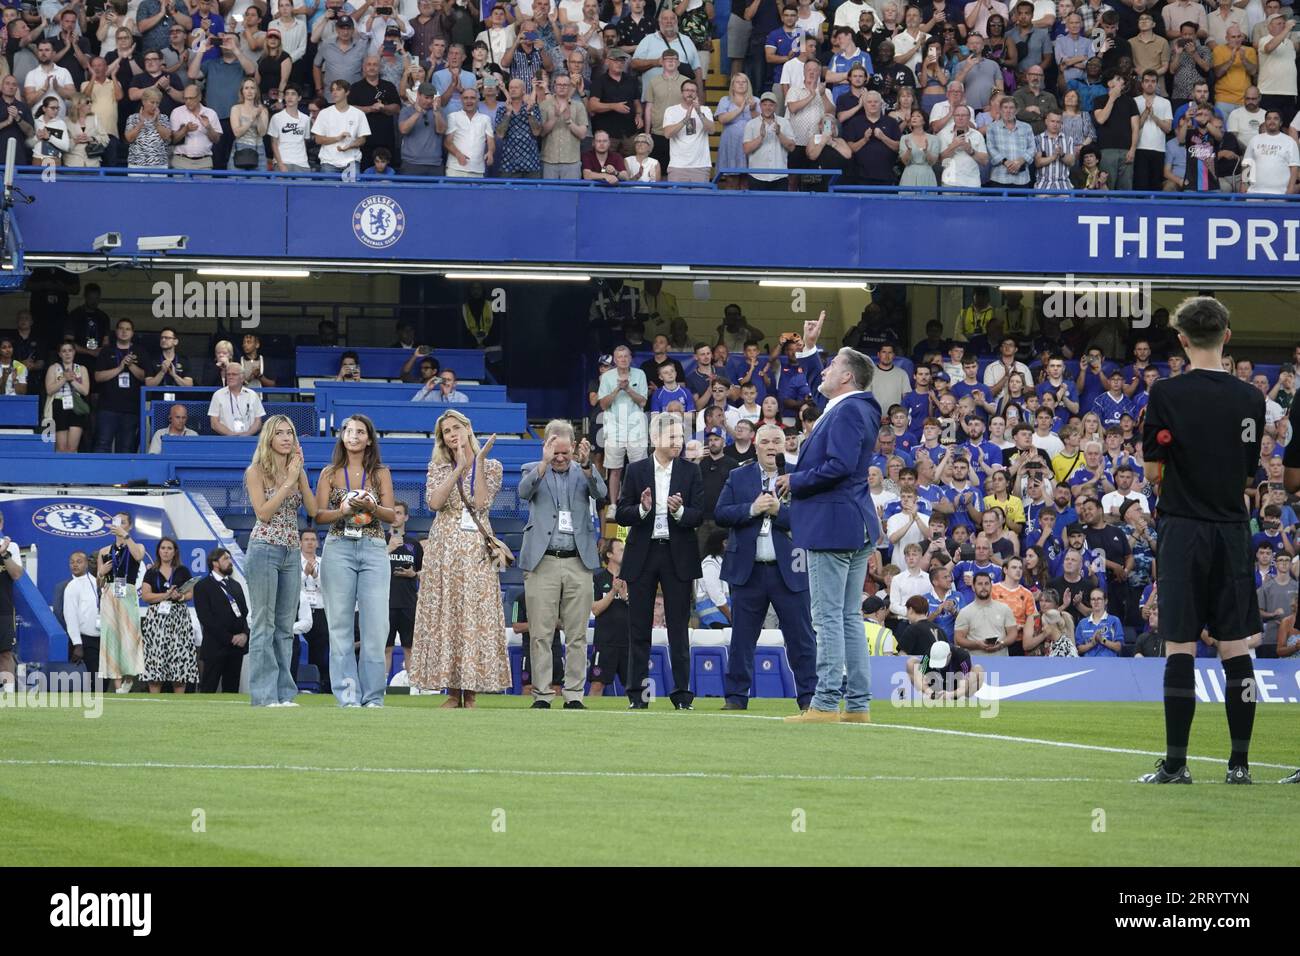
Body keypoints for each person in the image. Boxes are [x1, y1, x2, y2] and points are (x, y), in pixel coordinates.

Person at [1139, 296, 1266, 785]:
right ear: (1227, 337)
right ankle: (1239, 765)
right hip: (1233, 530)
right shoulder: (1251, 398)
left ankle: (1176, 763)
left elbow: (1152, 470)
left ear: (1182, 339)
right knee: (1237, 649)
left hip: (1183, 528)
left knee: (1180, 646)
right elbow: (1248, 471)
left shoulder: (1166, 394)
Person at [772, 314, 879, 724]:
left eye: (833, 365)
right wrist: (812, 350)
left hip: (833, 526)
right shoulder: (853, 405)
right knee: (849, 616)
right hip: (852, 523)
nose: (826, 368)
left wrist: (794, 480)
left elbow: (838, 465)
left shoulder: (849, 412)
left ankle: (825, 702)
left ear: (847, 377)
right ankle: (857, 706)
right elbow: (828, 391)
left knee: (828, 616)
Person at [714, 421, 818, 711]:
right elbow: (720, 514)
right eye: (766, 442)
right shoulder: (738, 476)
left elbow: (809, 521)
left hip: (791, 569)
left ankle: (809, 697)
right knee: (742, 639)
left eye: (777, 441)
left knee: (801, 637)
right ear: (755, 445)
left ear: (785, 445)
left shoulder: (799, 477)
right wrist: (752, 509)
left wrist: (779, 512)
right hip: (748, 571)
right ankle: (735, 698)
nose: (772, 447)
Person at [408, 409, 509, 707]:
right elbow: (435, 503)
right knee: (449, 615)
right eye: (446, 432)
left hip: (476, 550)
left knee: (474, 617)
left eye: (456, 428)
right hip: (444, 550)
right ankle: (452, 692)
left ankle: (473, 691)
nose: (452, 435)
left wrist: (474, 463)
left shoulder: (491, 465)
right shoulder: (437, 467)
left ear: (468, 428)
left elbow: (480, 502)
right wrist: (457, 468)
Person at [616, 411, 703, 710]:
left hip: (677, 553)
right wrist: (642, 508)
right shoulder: (637, 470)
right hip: (644, 553)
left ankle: (682, 696)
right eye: (672, 437)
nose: (678, 442)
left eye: (680, 437)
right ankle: (637, 697)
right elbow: (621, 511)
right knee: (638, 628)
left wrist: (678, 512)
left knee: (679, 628)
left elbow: (698, 514)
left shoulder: (691, 472)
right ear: (655, 439)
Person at [517, 419, 606, 709]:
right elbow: (523, 492)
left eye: (565, 453)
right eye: (555, 452)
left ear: (572, 449)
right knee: (541, 632)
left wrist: (588, 465)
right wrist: (543, 464)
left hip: (578, 561)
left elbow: (602, 494)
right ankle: (542, 694)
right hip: (542, 561)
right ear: (546, 448)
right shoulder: (534, 469)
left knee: (577, 634)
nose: (560, 458)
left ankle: (574, 695)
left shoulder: (583, 472)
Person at [314, 414, 396, 708]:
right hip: (338, 546)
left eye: (361, 432)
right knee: (340, 627)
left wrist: (373, 507)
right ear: (342, 436)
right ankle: (347, 696)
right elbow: (318, 515)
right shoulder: (329, 473)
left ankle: (373, 697)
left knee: (376, 627)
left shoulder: (381, 472)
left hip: (374, 546)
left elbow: (392, 515)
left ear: (369, 439)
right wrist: (344, 509)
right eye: (349, 431)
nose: (355, 436)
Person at [245, 415, 317, 708]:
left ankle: (285, 693)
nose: (287, 438)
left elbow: (312, 509)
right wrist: (288, 482)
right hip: (264, 547)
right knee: (264, 623)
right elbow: (263, 513)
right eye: (280, 433)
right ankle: (263, 695)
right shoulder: (256, 470)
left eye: (291, 433)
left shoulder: (296, 470)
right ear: (269, 439)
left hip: (290, 550)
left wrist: (300, 475)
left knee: (285, 627)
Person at [96, 511, 148, 692]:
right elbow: (99, 583)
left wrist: (125, 536)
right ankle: (117, 684)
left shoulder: (137, 546)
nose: (118, 525)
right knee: (111, 637)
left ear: (130, 526)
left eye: (123, 522)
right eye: (116, 522)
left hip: (128, 593)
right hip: (110, 594)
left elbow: (139, 556)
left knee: (130, 636)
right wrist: (101, 573)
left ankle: (129, 677)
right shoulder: (104, 551)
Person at [139, 537, 199, 694]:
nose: (166, 551)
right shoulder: (151, 572)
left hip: (179, 619)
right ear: (158, 551)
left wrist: (180, 597)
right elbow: (146, 596)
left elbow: (190, 594)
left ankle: (179, 706)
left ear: (175, 552)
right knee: (156, 665)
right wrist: (165, 596)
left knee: (179, 666)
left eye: (169, 548)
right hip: (156, 620)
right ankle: (154, 705)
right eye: (163, 548)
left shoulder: (183, 571)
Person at [597, 344, 649, 519]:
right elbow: (603, 404)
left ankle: (640, 502)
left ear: (630, 358)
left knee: (638, 468)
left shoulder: (640, 374)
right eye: (619, 357)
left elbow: (642, 401)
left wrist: (628, 389)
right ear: (615, 359)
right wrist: (617, 389)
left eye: (626, 356)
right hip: (614, 426)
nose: (623, 360)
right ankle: (613, 504)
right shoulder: (607, 377)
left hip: (636, 427)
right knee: (615, 469)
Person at [194, 548, 250, 693]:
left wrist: (244, 634)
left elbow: (244, 613)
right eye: (226, 559)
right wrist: (230, 638)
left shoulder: (235, 585)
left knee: (232, 689)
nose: (230, 562)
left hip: (236, 649)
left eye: (230, 558)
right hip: (215, 647)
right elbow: (206, 618)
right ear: (215, 563)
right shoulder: (202, 586)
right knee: (209, 688)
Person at [93, 318, 147, 453]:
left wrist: (131, 365)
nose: (124, 332)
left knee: (126, 447)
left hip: (131, 409)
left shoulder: (140, 351)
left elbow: (145, 378)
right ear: (116, 331)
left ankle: (124, 475)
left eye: (128, 329)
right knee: (103, 444)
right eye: (121, 328)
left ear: (132, 333)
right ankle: (99, 474)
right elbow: (98, 377)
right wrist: (120, 367)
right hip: (107, 407)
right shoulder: (106, 351)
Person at [587, 538, 631, 697]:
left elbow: (640, 610)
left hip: (628, 642)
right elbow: (595, 609)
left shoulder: (632, 578)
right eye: (621, 550)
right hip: (605, 643)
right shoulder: (598, 579)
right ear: (609, 554)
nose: (625, 553)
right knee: (597, 686)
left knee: (633, 688)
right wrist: (613, 592)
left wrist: (625, 596)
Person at [385, 502, 422, 681]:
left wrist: (413, 573)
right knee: (386, 647)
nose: (395, 517)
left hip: (408, 603)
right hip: (385, 602)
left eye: (399, 513)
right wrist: (388, 550)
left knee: (410, 647)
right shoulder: (380, 541)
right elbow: (371, 566)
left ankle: (413, 685)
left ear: (406, 517)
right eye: (392, 513)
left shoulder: (414, 545)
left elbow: (424, 573)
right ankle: (380, 687)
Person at [954, 570, 1019, 655]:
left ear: (991, 586)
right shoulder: (965, 612)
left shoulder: (1004, 609)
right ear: (973, 587)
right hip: (975, 663)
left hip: (1001, 662)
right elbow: (959, 638)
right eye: (980, 584)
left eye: (987, 584)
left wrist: (1001, 644)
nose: (984, 587)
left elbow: (1013, 634)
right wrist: (977, 644)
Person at [43, 339, 91, 454]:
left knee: (72, 448)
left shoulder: (82, 369)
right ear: (59, 354)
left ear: (74, 352)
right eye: (64, 351)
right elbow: (49, 390)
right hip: (59, 405)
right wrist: (64, 378)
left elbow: (85, 391)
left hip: (76, 406)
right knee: (61, 448)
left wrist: (72, 380)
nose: (67, 353)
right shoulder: (53, 368)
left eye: (70, 350)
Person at [906, 638, 985, 699]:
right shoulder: (928, 654)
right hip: (934, 685)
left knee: (978, 670)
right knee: (911, 663)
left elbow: (964, 685)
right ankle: (929, 696)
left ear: (949, 655)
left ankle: (961, 698)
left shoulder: (962, 656)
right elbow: (920, 676)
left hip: (955, 686)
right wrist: (930, 692)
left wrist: (951, 695)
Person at [208, 363, 266, 437]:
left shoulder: (252, 395)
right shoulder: (218, 395)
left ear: (242, 378)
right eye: (228, 374)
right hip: (225, 439)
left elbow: (258, 421)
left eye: (234, 374)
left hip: (249, 439)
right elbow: (214, 423)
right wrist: (231, 435)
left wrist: (247, 434)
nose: (230, 377)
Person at [0, 514, 20, 689]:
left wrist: (4, 554)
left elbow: (16, 575)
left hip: (4, 609)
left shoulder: (11, 546)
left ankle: (9, 695)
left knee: (5, 654)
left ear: (1, 524)